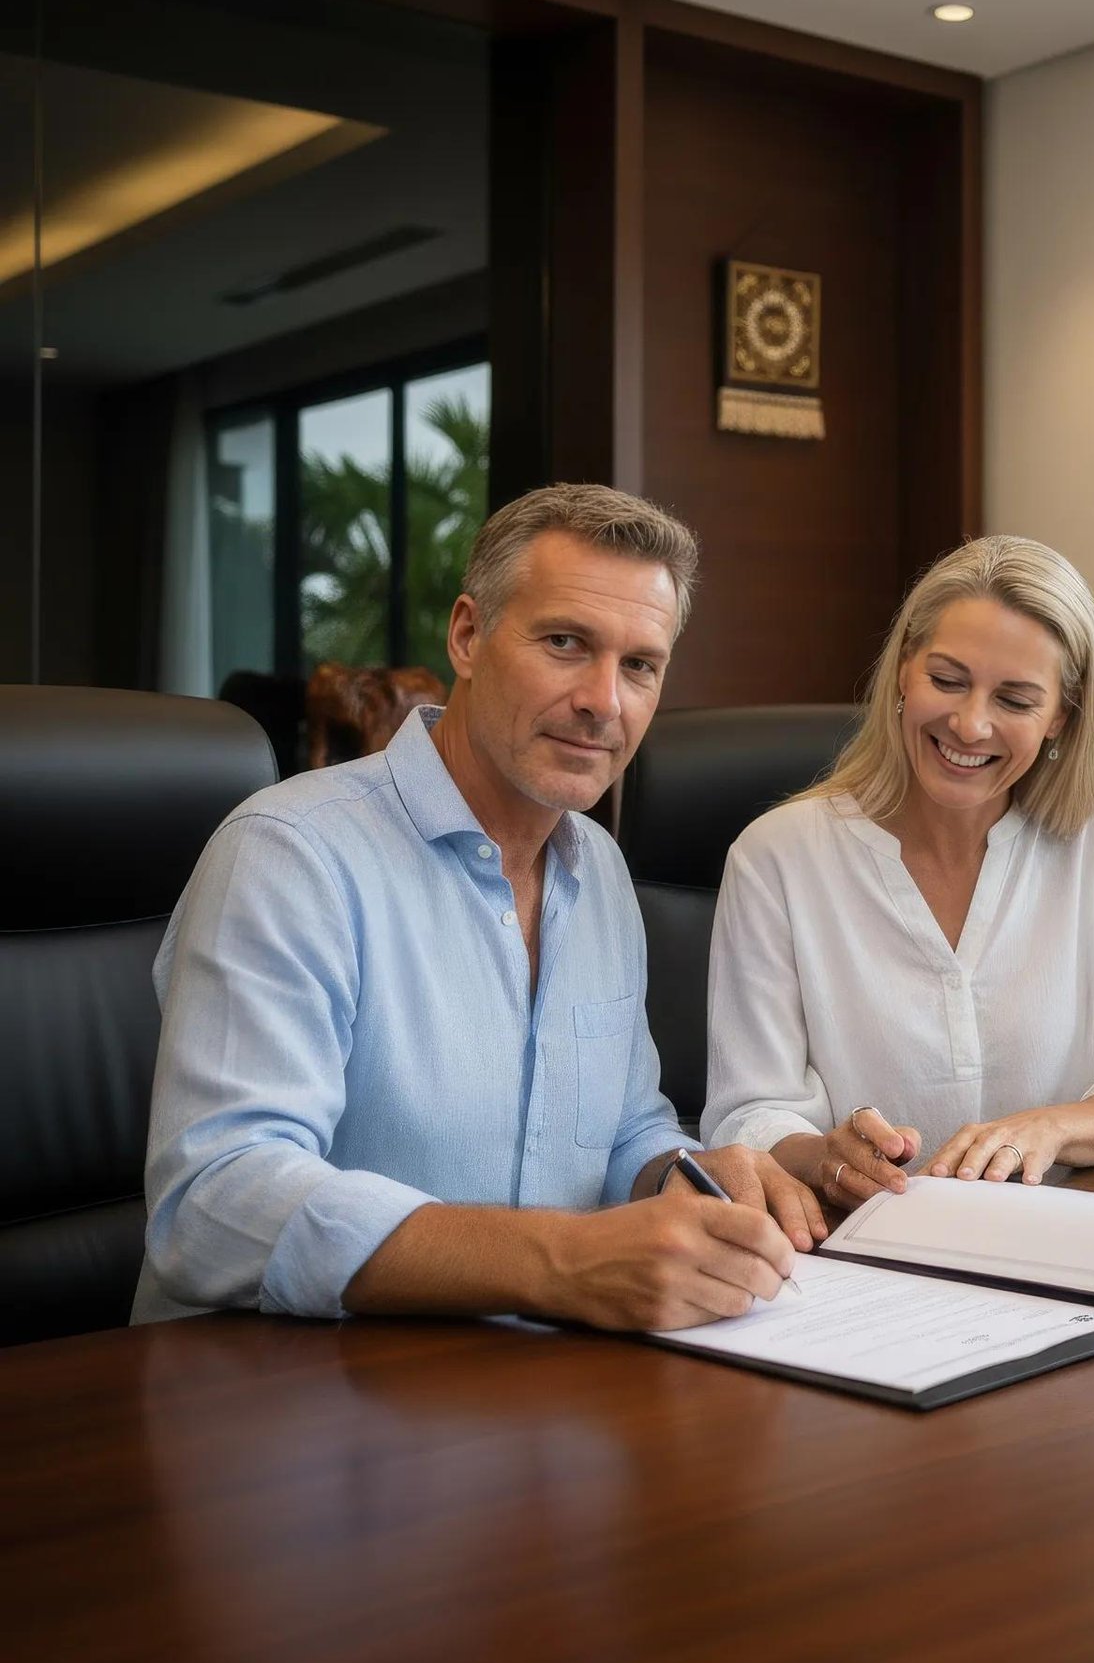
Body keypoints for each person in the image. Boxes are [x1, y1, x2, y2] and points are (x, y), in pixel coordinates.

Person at [136, 484, 822, 1332]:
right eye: (566, 643)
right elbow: (216, 1201)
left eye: (640, 666)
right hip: (283, 1397)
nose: (604, 701)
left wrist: (688, 1177)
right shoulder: (290, 853)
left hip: (521, 1390)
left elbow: (623, 1131)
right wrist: (559, 1262)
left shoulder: (599, 868)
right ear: (468, 635)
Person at [701, 535, 1094, 1207]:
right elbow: (747, 1112)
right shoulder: (775, 857)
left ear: (1061, 716)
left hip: (1058, 1236)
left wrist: (1050, 1129)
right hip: (862, 1248)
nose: (971, 725)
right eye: (946, 681)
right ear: (902, 672)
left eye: (1015, 700)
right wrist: (820, 1155)